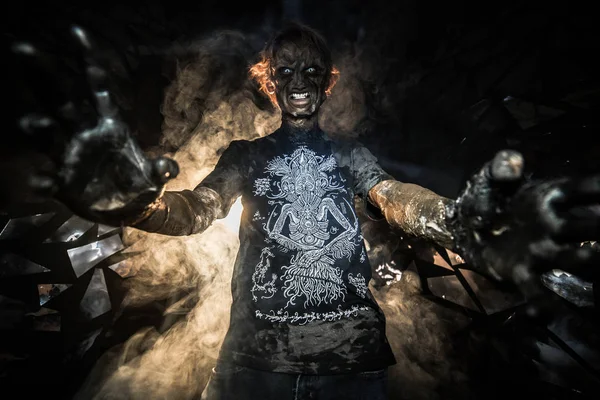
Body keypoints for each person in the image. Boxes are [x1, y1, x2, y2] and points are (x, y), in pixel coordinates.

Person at [12, 23, 599, 400]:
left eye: (310, 71)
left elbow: (391, 196)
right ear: (267, 82)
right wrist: (134, 207)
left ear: (328, 82)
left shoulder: (350, 153)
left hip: (353, 369)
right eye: (285, 71)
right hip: (252, 366)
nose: (298, 81)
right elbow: (197, 210)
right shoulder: (245, 155)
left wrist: (450, 219)